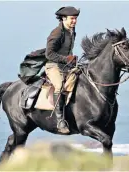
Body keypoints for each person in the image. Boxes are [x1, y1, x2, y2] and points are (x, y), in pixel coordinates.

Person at [45, 6, 80, 134]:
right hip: (53, 65)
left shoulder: (72, 31)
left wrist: (71, 60)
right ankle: (60, 121)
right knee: (59, 86)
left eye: (75, 19)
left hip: (66, 65)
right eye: (72, 19)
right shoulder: (57, 33)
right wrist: (67, 59)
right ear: (63, 18)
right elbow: (49, 54)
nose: (74, 21)